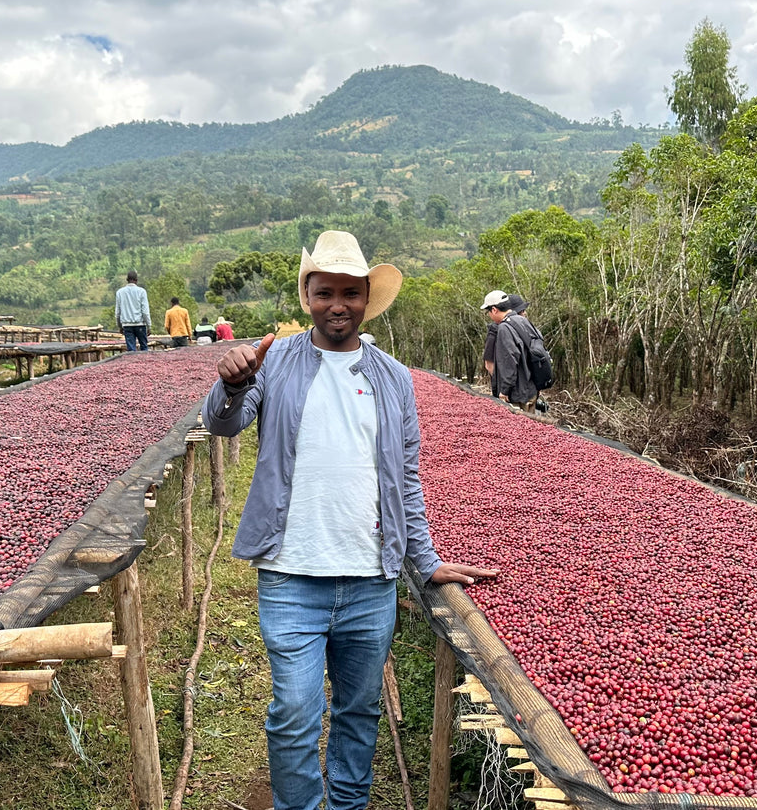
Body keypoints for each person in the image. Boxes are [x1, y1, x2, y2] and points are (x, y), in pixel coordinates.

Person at [204, 229, 498, 810]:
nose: (337, 304)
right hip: (292, 574)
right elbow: (224, 424)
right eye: (324, 292)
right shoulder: (276, 360)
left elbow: (404, 479)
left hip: (370, 580)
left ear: (367, 299)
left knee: (359, 710)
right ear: (307, 296)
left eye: (350, 292)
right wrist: (231, 382)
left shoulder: (393, 377)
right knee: (294, 711)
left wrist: (425, 561)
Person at [487, 291, 544, 410]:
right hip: (531, 390)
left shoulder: (504, 327)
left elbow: (510, 360)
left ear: (494, 309)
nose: (489, 316)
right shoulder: (524, 321)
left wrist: (504, 390)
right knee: (531, 426)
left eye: (488, 312)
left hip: (517, 395)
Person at [480, 290, 508, 396]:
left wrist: (502, 388)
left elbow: (489, 364)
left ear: (494, 310)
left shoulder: (498, 329)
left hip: (510, 392)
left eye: (488, 312)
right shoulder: (524, 324)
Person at [115, 271, 151, 351]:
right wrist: (149, 325)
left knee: (131, 351)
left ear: (127, 280)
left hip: (127, 325)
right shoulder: (142, 292)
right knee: (144, 347)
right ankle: (145, 363)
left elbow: (117, 313)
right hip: (140, 324)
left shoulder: (120, 292)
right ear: (136, 280)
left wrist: (120, 326)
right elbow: (145, 311)